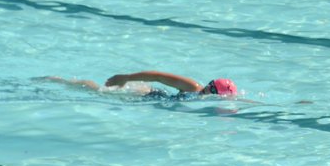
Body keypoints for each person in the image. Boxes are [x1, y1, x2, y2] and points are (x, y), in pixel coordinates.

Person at [46, 71, 238, 98]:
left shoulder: (204, 96)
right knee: (99, 91)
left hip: (156, 98)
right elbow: (157, 75)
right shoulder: (193, 87)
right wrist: (126, 78)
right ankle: (61, 80)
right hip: (147, 94)